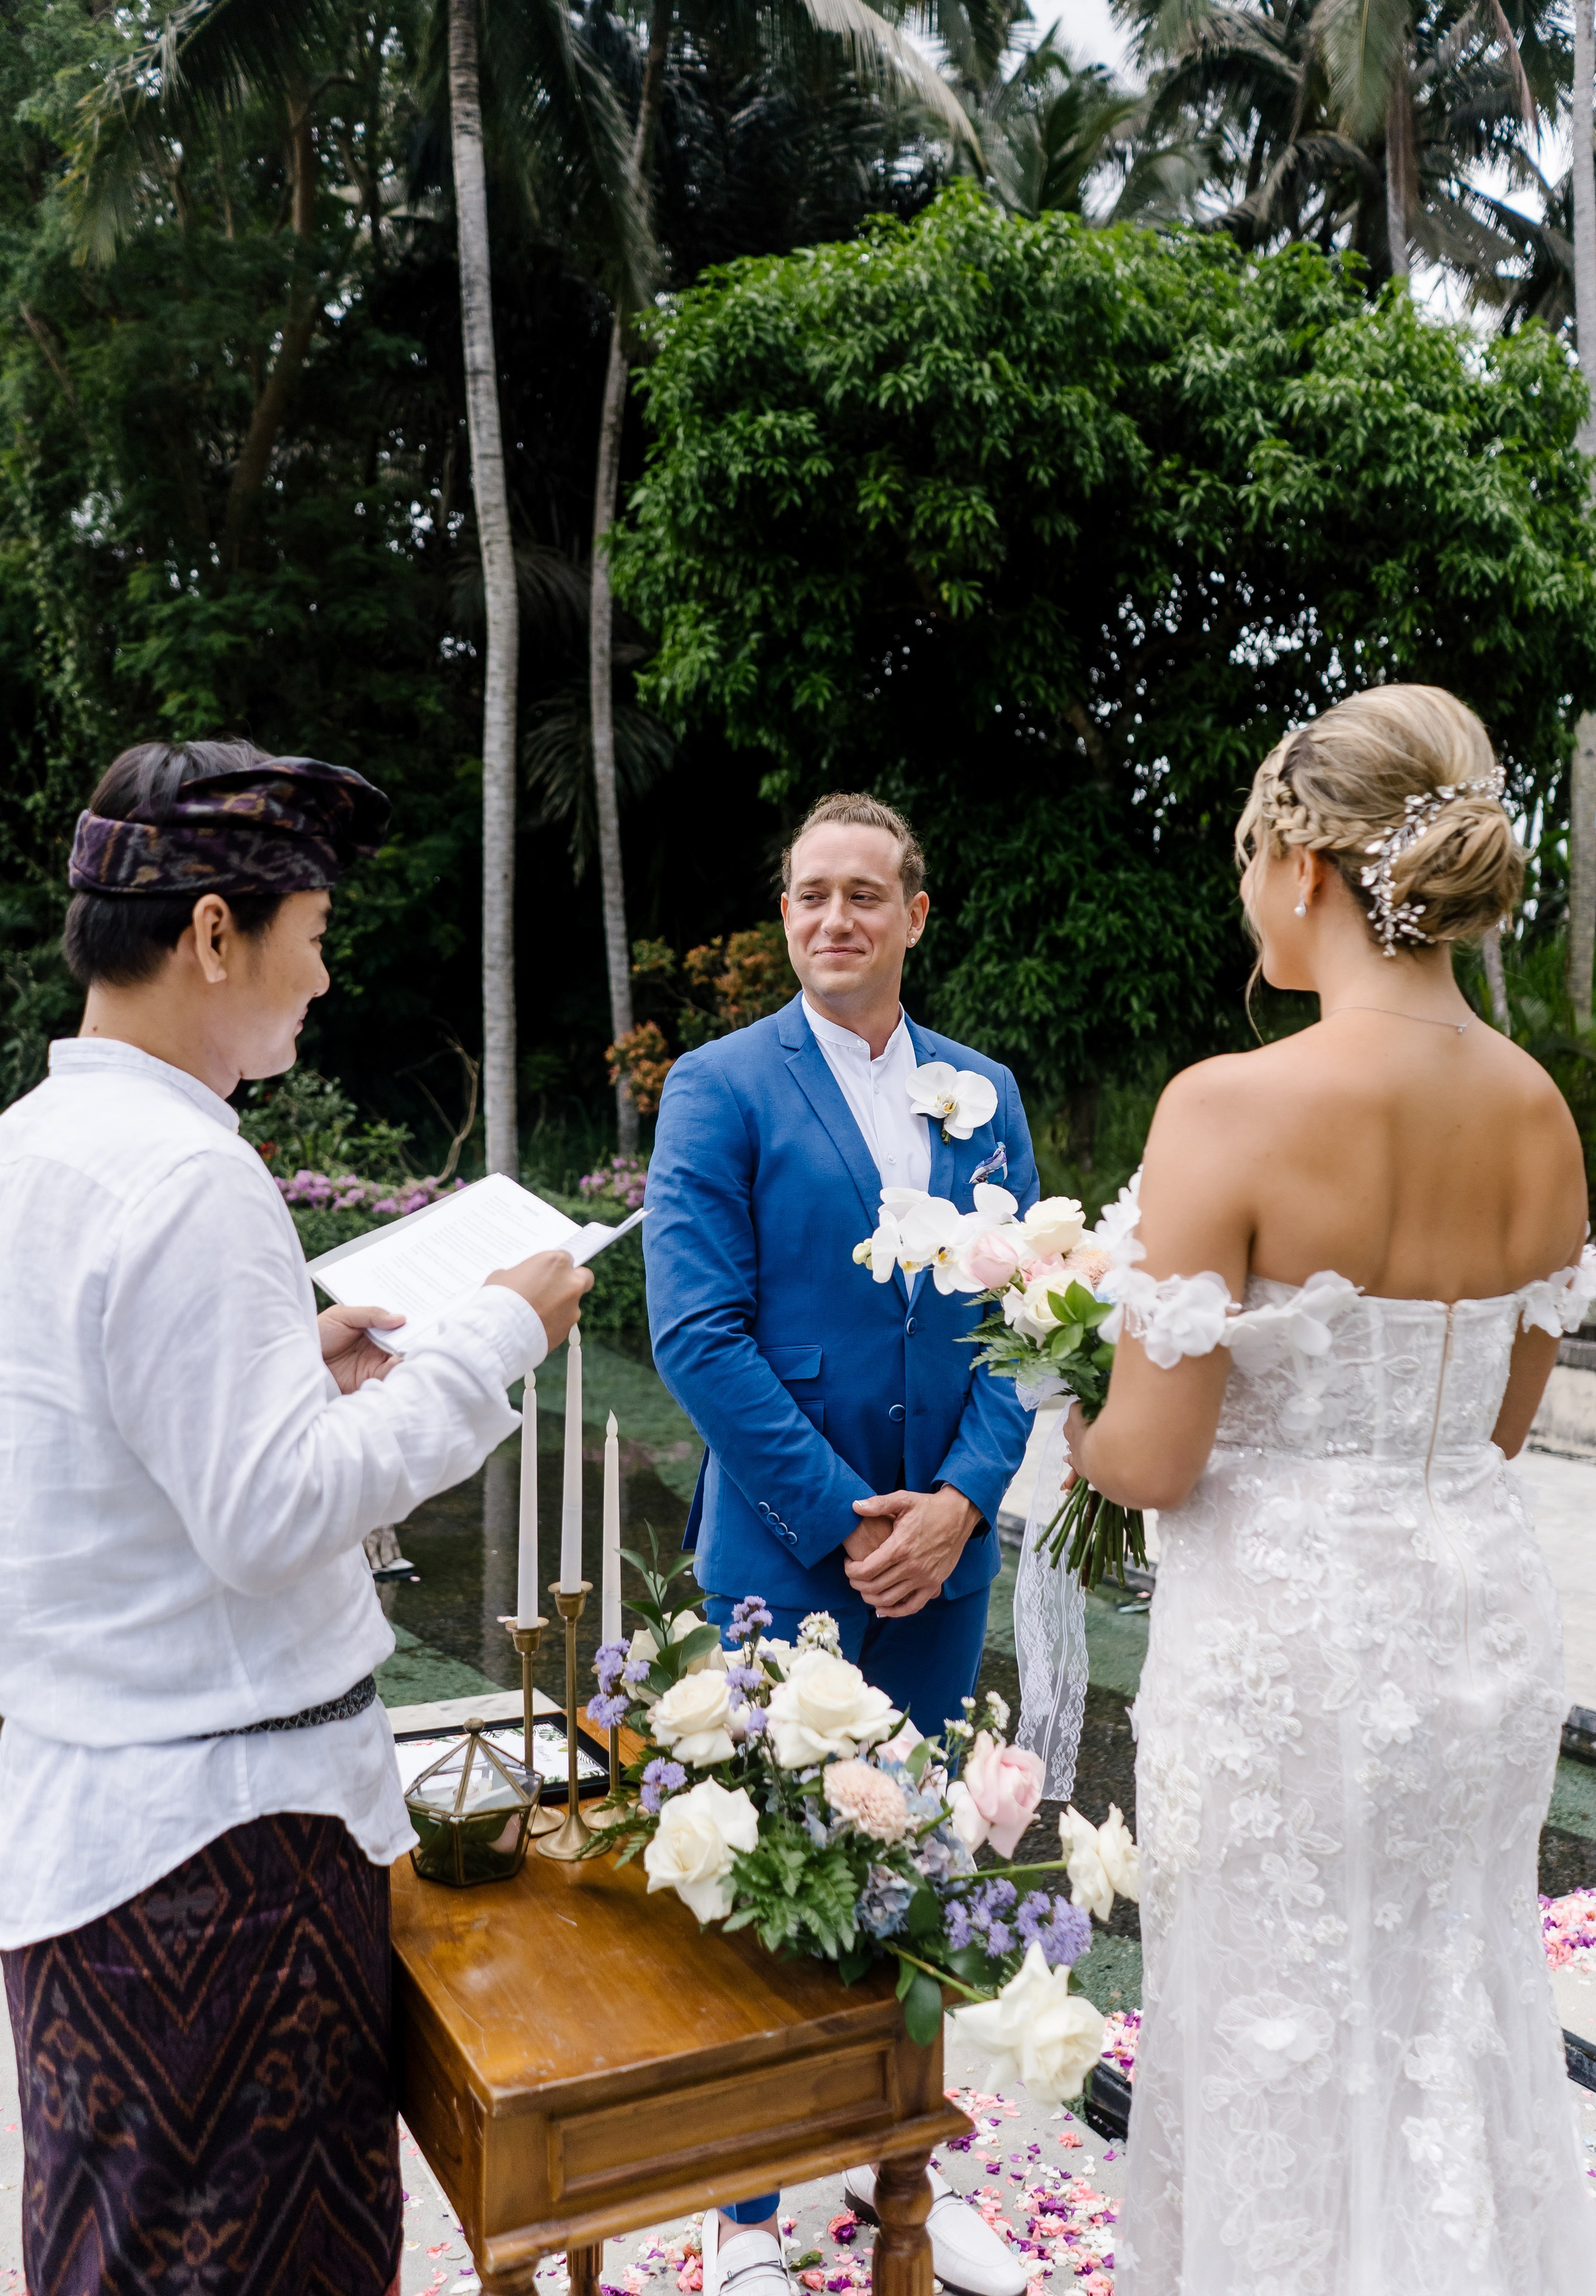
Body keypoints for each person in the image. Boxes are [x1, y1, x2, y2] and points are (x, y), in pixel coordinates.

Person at [0, 738, 591, 2296]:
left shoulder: (33, 1146)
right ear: (214, 933)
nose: (324, 979)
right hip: (225, 1864)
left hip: (94, 1822)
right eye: (313, 937)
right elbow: (270, 1521)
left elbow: (104, 1447)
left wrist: (288, 1369)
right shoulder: (185, 1177)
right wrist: (489, 1338)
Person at [1059, 686, 1595, 2292]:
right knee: (1452, 1999)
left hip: (1284, 1662)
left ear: (1301, 864)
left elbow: (1151, 1460)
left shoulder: (1226, 1107)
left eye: (1248, 855)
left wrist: (1056, 1408)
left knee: (1277, 2019)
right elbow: (1498, 1429)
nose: (1246, 891)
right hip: (1476, 1640)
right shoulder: (1539, 1111)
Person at [644, 792, 1039, 2296]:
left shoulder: (981, 1090)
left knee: (923, 1868)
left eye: (863, 894)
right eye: (810, 894)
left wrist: (960, 1503)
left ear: (913, 915)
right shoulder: (717, 1086)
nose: (833, 919)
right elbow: (695, 1329)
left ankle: (905, 2178)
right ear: (785, 912)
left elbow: (1030, 1320)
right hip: (784, 1554)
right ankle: (742, 2213)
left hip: (945, 1550)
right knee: (761, 1877)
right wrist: (839, 1516)